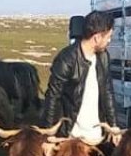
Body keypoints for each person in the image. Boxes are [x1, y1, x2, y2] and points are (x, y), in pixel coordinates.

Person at [42, 10, 117, 143]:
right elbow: (53, 97)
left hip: (97, 137)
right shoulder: (66, 59)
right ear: (97, 38)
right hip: (71, 137)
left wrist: (114, 127)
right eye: (108, 37)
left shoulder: (104, 57)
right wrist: (49, 136)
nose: (109, 41)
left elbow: (108, 92)